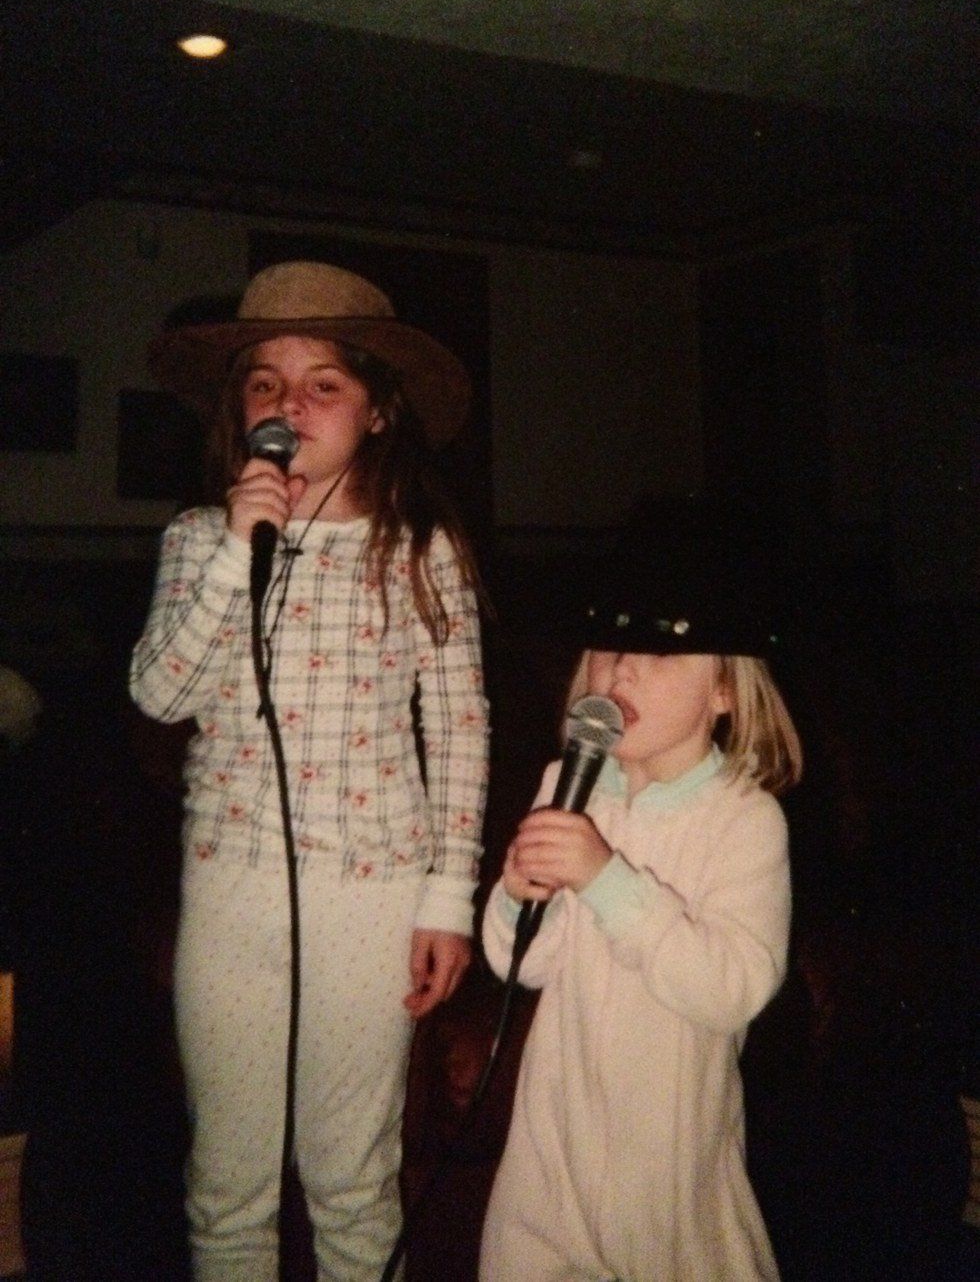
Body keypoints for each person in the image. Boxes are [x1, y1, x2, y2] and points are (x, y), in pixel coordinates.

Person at [130, 260, 490, 1282]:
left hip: (371, 887)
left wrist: (446, 900)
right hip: (231, 885)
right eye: (263, 383)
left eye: (323, 381)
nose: (289, 403)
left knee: (349, 1174)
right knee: (228, 1182)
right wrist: (237, 547)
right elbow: (161, 694)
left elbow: (459, 728)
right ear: (237, 411)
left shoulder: (420, 549)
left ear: (377, 409)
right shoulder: (200, 538)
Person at [479, 507, 803, 1281]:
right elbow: (521, 963)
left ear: (724, 691)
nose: (621, 674)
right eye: (610, 652)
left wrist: (605, 879)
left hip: (671, 1180)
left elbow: (731, 987)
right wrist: (518, 896)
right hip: (550, 1160)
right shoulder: (568, 784)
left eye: (658, 658)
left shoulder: (742, 819)